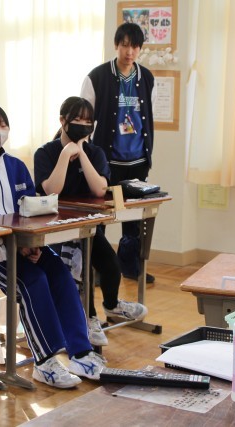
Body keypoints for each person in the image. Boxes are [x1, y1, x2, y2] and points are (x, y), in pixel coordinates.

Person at [0, 103, 106, 389]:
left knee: (60, 274)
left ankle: (81, 353)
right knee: (32, 281)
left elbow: (33, 209)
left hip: (24, 248)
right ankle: (45, 362)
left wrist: (33, 244)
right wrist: (13, 244)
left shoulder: (16, 166)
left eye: (2, 125)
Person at [33, 96, 148, 347]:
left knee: (110, 265)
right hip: (56, 229)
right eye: (77, 120)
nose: (83, 125)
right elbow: (51, 190)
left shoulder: (95, 153)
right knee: (79, 273)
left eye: (88, 121)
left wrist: (82, 153)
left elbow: (99, 189)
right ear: (62, 120)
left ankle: (112, 305)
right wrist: (65, 154)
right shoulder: (45, 152)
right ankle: (89, 318)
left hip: (87, 227)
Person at [80, 22, 157, 284]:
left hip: (138, 160)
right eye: (124, 45)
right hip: (107, 161)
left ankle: (130, 266)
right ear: (116, 45)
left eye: (134, 47)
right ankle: (97, 268)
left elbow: (148, 118)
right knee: (101, 216)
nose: (129, 52)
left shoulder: (146, 78)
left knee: (133, 219)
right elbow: (85, 119)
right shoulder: (98, 77)